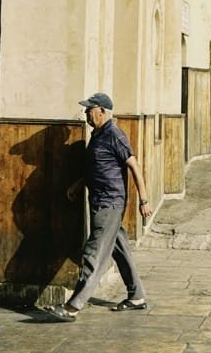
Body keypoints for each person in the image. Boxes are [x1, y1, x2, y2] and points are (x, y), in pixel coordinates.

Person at [48, 92, 152, 322]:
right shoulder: (97, 135)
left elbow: (134, 165)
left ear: (102, 111)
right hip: (99, 200)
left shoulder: (114, 134)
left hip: (109, 203)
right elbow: (97, 167)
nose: (86, 114)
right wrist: (78, 184)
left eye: (89, 110)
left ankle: (73, 306)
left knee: (94, 253)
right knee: (120, 249)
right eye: (85, 111)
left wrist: (144, 200)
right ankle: (137, 296)